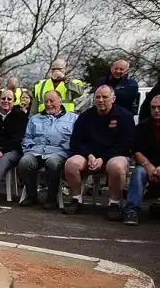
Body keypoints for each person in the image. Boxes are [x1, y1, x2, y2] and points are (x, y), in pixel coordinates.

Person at [63, 85, 135, 218]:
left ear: (113, 99)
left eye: (105, 97)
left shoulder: (125, 116)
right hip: (89, 156)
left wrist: (103, 158)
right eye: (98, 97)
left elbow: (126, 144)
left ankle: (114, 203)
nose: (101, 100)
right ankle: (76, 199)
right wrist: (89, 155)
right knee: (71, 164)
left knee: (116, 166)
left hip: (115, 155)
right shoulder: (85, 116)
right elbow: (76, 142)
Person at [17, 90, 78, 209]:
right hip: (36, 151)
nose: (48, 104)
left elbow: (75, 140)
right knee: (25, 162)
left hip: (59, 152)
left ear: (60, 101)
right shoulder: (34, 118)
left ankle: (51, 198)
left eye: (52, 101)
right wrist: (28, 149)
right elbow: (27, 138)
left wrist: (65, 149)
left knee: (52, 163)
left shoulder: (73, 119)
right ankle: (31, 195)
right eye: (46, 101)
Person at [123, 95, 160, 225]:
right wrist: (149, 166)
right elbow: (136, 150)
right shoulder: (142, 126)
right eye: (153, 107)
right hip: (146, 166)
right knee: (138, 173)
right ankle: (132, 210)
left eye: (159, 107)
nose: (156, 110)